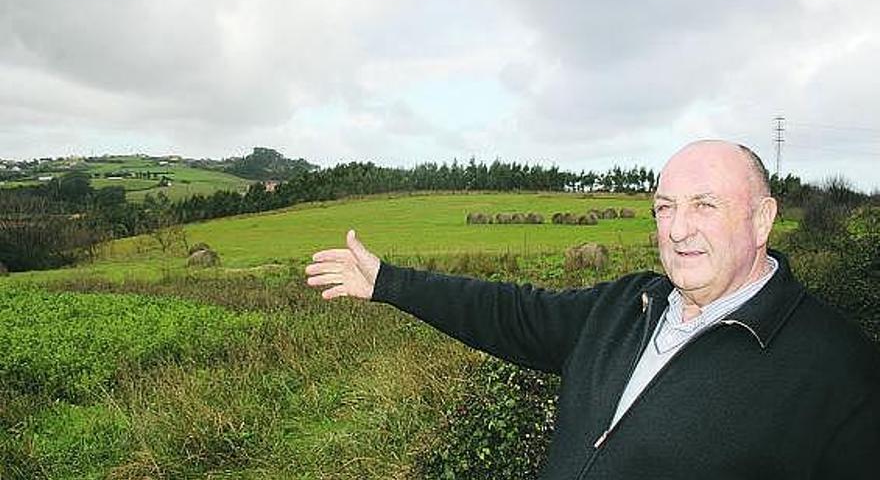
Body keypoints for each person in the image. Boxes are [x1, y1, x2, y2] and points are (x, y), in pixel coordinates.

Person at [305, 140, 879, 479]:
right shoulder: (631, 304)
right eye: (664, 207)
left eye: (705, 205)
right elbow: (510, 314)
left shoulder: (837, 371)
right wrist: (389, 282)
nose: (678, 229)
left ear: (761, 219)